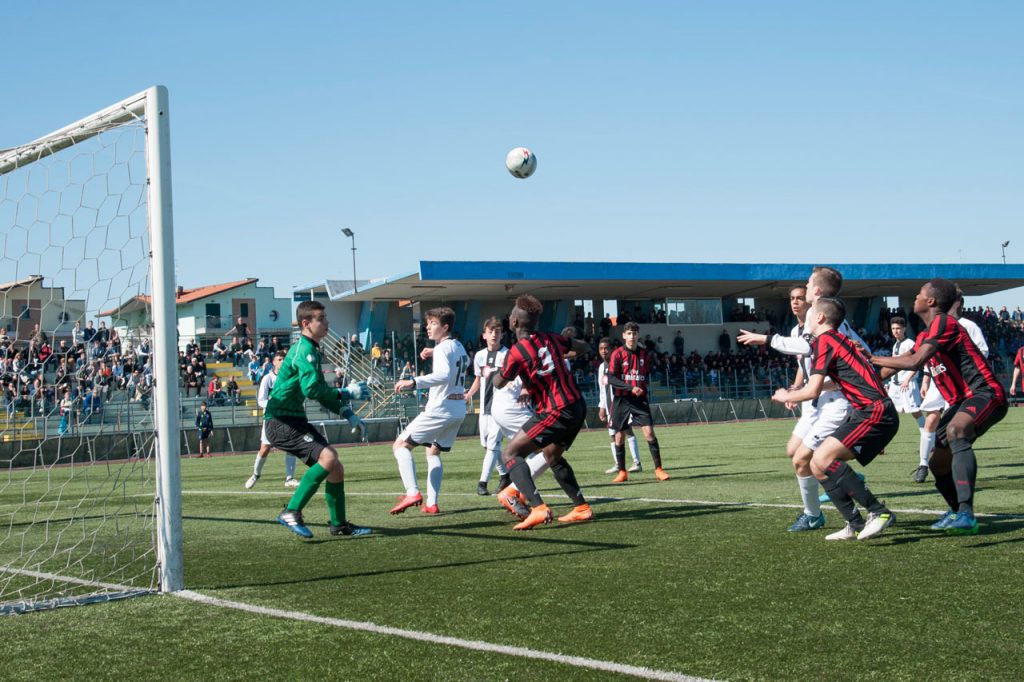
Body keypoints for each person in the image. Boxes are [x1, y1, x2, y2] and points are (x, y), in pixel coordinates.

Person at [872, 279, 1008, 535]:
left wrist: (870, 356)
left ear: (931, 301)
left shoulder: (945, 322)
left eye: (920, 294)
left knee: (957, 431)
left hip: (984, 393)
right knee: (937, 463)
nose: (915, 297)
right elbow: (896, 364)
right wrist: (864, 376)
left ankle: (966, 513)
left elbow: (914, 361)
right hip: (959, 402)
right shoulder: (926, 334)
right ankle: (958, 512)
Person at [772, 298, 899, 541]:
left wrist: (785, 395)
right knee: (817, 465)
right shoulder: (840, 340)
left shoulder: (826, 341)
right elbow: (836, 382)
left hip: (873, 411)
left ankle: (878, 512)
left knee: (821, 457)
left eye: (811, 312)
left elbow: (812, 391)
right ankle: (854, 522)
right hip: (871, 411)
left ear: (819, 318)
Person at [266, 300, 371, 539]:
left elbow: (320, 391)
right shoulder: (305, 350)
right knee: (329, 457)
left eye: (325, 318)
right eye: (321, 319)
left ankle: (339, 524)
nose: (327, 322)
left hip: (290, 419)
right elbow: (312, 390)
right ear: (306, 324)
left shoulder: (310, 348)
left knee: (335, 467)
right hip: (281, 420)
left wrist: (348, 413)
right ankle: (291, 511)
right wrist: (346, 393)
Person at [489, 295, 594, 530]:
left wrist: (494, 372)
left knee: (511, 453)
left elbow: (498, 382)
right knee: (552, 456)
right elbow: (584, 347)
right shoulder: (552, 338)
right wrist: (568, 352)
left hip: (555, 410)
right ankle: (582, 508)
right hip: (577, 405)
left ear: (514, 322)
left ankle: (537, 507)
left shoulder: (516, 352)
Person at [390, 307, 469, 515]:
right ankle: (432, 503)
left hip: (441, 408)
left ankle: (412, 492)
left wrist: (413, 381)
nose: (428, 326)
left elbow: (443, 375)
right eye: (428, 323)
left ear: (445, 327)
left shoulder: (444, 349)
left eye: (433, 323)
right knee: (432, 450)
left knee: (400, 446)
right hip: (458, 408)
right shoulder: (458, 345)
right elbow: (462, 361)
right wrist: (434, 351)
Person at [606, 322, 670, 482]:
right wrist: (630, 387)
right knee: (619, 436)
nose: (632, 336)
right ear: (623, 336)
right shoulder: (617, 354)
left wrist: (642, 386)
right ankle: (622, 472)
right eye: (628, 333)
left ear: (638, 335)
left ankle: (659, 470)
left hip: (639, 399)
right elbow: (611, 378)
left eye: (634, 333)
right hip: (621, 399)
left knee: (649, 432)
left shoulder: (645, 354)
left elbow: (646, 373)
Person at [464, 317, 512, 496]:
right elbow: (478, 379)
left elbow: (515, 378)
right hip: (484, 407)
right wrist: (469, 394)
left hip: (500, 408)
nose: (494, 334)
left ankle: (482, 483)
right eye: (491, 331)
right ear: (484, 335)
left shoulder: (507, 355)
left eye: (497, 331)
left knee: (492, 445)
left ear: (502, 335)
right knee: (487, 446)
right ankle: (505, 475)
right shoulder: (479, 356)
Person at [245, 352, 299, 489]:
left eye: (284, 359)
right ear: (274, 362)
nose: (282, 362)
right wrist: (274, 405)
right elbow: (261, 400)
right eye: (279, 359)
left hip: (287, 417)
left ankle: (289, 478)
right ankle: (255, 474)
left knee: (291, 446)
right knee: (265, 448)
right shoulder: (268, 379)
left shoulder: (289, 378)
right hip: (271, 419)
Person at [888, 317, 930, 483]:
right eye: (893, 329)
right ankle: (881, 443)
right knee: (886, 409)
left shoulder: (910, 343)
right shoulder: (896, 345)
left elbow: (916, 364)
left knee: (915, 413)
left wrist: (908, 379)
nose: (896, 331)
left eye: (898, 328)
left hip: (907, 384)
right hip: (895, 385)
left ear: (904, 329)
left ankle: (927, 438)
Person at [596, 338, 641, 474]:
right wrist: (602, 406)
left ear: (612, 349)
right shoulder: (601, 367)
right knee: (612, 435)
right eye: (601, 349)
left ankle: (636, 462)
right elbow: (602, 388)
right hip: (610, 406)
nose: (604, 351)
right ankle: (618, 464)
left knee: (627, 431)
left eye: (606, 348)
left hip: (622, 403)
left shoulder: (619, 363)